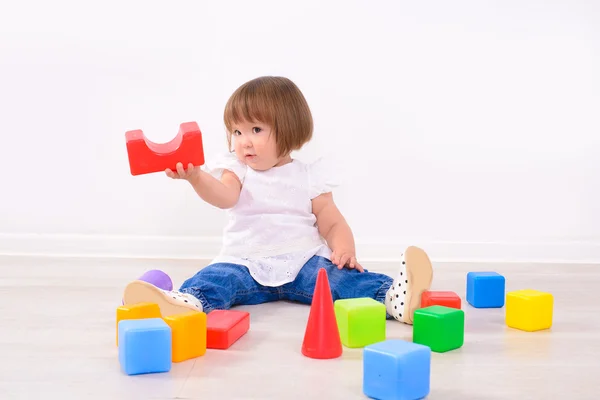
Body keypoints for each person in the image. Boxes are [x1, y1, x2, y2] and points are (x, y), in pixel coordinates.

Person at [122, 76, 433, 324]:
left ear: (288, 130)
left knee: (340, 280)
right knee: (216, 279)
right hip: (244, 261)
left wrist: (344, 249)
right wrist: (196, 177)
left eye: (255, 129)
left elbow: (332, 221)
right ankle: (187, 303)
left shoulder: (309, 176)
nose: (244, 141)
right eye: (236, 131)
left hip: (302, 261)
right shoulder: (236, 170)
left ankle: (393, 296)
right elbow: (224, 197)